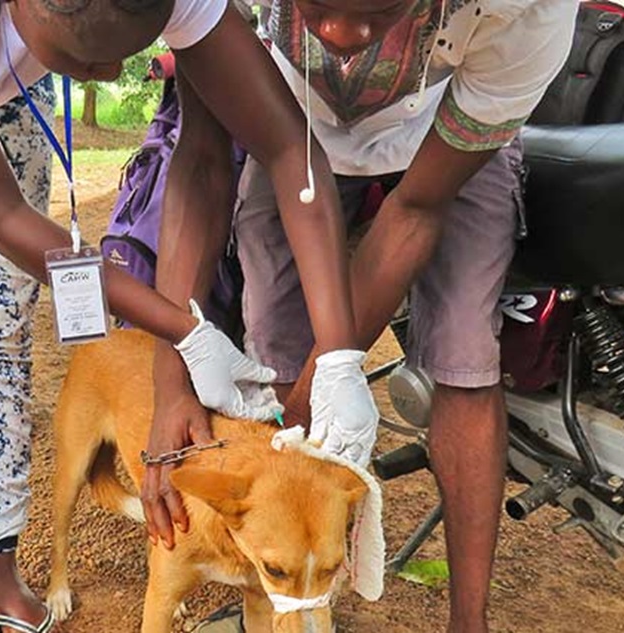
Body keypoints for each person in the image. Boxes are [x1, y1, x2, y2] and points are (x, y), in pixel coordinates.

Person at [0, 0, 379, 630]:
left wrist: (338, 354)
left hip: (4, 81)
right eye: (89, 55)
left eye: (137, 46)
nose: (112, 72)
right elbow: (2, 214)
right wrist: (183, 331)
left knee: (0, 332)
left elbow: (284, 147)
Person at [154, 1, 579, 631]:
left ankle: (470, 622)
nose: (342, 36)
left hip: (451, 135)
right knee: (272, 348)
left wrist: (313, 393)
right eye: (316, 3)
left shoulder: (526, 10)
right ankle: (276, 604)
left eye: (381, 8)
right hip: (285, 126)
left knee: (463, 356)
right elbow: (203, 162)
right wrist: (171, 383)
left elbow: (416, 209)